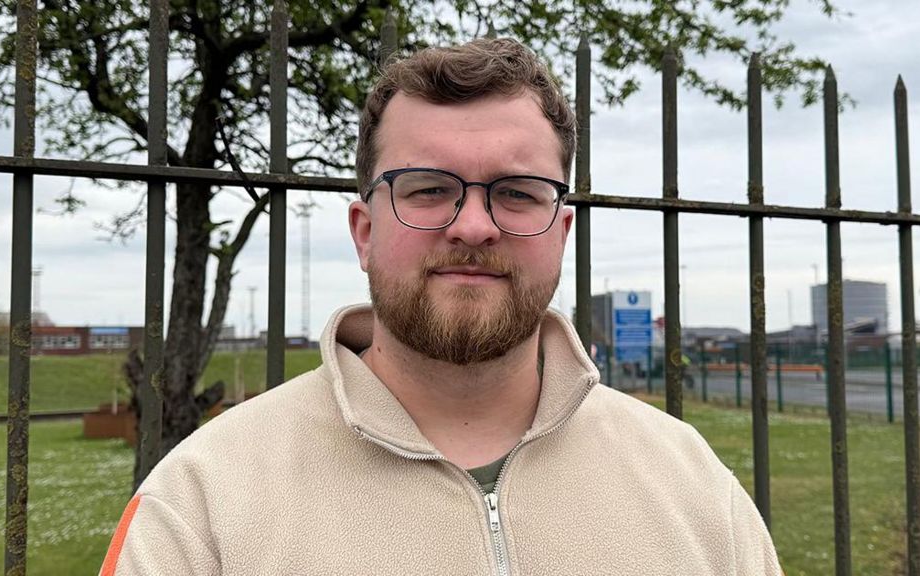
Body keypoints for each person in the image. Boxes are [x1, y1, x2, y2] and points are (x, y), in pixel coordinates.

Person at [99, 38, 782, 575]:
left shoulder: (690, 484)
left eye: (517, 191)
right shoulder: (202, 500)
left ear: (561, 231)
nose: (474, 226)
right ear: (365, 232)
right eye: (427, 189)